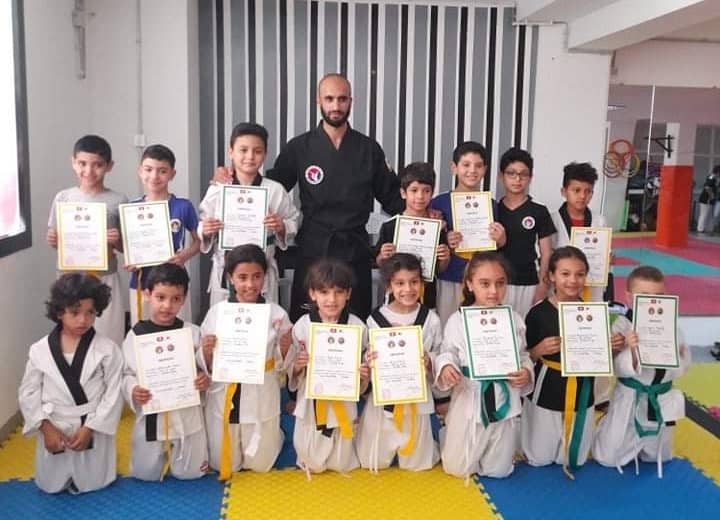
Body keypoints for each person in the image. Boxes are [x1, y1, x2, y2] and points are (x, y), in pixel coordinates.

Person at [266, 73, 405, 321]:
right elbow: (270, 189)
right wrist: (235, 180)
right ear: (318, 101)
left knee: (355, 322)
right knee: (307, 324)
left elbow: (394, 198)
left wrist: (426, 213)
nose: (336, 106)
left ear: (351, 101)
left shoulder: (368, 149)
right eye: (329, 99)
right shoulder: (299, 147)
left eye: (342, 99)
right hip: (313, 248)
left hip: (354, 249)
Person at [521, 247, 624, 476]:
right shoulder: (538, 313)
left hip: (582, 388)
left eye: (579, 274)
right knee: (540, 458)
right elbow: (524, 356)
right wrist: (538, 349)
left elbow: (601, 357)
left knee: (574, 459)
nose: (572, 280)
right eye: (565, 274)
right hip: (547, 387)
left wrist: (612, 347)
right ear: (551, 276)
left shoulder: (594, 313)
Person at [18, 273, 123, 494]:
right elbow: (29, 393)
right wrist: (46, 428)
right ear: (59, 312)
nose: (83, 320)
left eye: (90, 312)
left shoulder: (107, 349)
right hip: (54, 425)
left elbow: (114, 393)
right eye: (75, 313)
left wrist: (90, 428)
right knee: (51, 485)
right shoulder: (40, 350)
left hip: (91, 424)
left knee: (95, 481)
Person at [435, 252, 533, 480]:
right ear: (470, 284)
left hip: (503, 398)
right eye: (485, 284)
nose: (493, 291)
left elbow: (523, 355)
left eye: (500, 283)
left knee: (498, 471)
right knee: (457, 469)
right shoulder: (457, 320)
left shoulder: (514, 319)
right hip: (470, 399)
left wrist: (526, 371)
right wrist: (447, 367)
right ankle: (449, 433)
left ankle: (501, 444)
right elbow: (447, 352)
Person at [201, 244, 293, 479]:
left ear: (265, 277)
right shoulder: (217, 312)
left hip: (260, 393)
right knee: (223, 464)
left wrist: (285, 348)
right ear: (230, 277)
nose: (250, 284)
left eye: (256, 276)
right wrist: (207, 351)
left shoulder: (277, 314)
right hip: (225, 393)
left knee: (261, 464)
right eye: (242, 277)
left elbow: (286, 365)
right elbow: (204, 363)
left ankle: (276, 433)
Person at [593, 266, 691, 476]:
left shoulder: (670, 326)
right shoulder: (621, 326)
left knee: (658, 457)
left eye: (658, 296)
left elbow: (681, 369)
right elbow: (615, 367)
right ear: (629, 297)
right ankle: (604, 427)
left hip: (660, 399)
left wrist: (679, 355)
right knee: (607, 458)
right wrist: (632, 350)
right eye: (644, 296)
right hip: (629, 399)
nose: (652, 302)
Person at [121, 263, 210, 481]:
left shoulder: (192, 332)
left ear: (184, 299)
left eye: (175, 299)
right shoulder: (135, 335)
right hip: (152, 413)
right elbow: (126, 373)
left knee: (192, 473)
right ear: (147, 294)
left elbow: (205, 368)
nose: (167, 306)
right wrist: (133, 389)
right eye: (160, 297)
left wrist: (203, 379)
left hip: (186, 415)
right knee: (145, 475)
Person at [356, 253, 442, 472]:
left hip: (416, 400)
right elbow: (365, 356)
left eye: (414, 282)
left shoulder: (431, 319)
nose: (408, 289)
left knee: (417, 465)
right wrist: (368, 359)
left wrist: (429, 361)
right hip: (382, 401)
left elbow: (440, 355)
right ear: (389, 286)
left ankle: (435, 439)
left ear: (422, 283)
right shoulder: (375, 319)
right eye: (400, 283)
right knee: (371, 462)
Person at [200, 123, 300, 305]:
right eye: (243, 150)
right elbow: (202, 222)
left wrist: (281, 226)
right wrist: (206, 230)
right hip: (226, 268)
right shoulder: (218, 188)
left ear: (265, 154)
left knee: (264, 320)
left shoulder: (275, 190)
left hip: (262, 272)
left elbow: (293, 221)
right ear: (231, 152)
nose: (250, 157)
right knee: (224, 319)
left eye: (257, 151)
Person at [287, 258, 370, 474]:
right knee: (311, 463)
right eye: (324, 292)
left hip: (343, 399)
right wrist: (297, 367)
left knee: (342, 463)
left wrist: (364, 374)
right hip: (311, 403)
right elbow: (291, 371)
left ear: (348, 294)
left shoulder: (357, 326)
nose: (331, 300)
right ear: (313, 294)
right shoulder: (302, 326)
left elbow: (365, 366)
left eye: (338, 292)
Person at [46, 135, 128, 346]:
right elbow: (57, 241)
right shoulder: (63, 198)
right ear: (73, 162)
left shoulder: (118, 200)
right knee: (72, 337)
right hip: (70, 279)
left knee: (109, 336)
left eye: (97, 165)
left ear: (109, 166)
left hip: (104, 277)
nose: (89, 171)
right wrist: (53, 240)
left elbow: (126, 248)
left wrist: (116, 241)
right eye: (82, 163)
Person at [549, 161, 612, 406]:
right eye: (576, 190)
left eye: (588, 191)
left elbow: (606, 260)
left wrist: (608, 259)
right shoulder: (552, 220)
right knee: (562, 338)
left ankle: (598, 393)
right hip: (561, 291)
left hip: (592, 289)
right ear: (564, 191)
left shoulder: (599, 221)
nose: (582, 196)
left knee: (592, 338)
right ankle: (559, 386)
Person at [429, 141, 507, 325]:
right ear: (454, 168)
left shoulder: (491, 204)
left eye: (478, 166)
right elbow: (430, 244)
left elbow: (496, 245)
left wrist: (501, 240)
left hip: (482, 280)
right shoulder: (438, 203)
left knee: (478, 327)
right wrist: (446, 239)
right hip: (450, 277)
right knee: (448, 326)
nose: (472, 170)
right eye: (466, 165)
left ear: (485, 169)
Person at [127, 145, 201, 325]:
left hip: (174, 280)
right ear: (140, 171)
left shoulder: (183, 206)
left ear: (172, 174)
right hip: (141, 281)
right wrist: (130, 259)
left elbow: (199, 241)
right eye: (148, 169)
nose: (154, 176)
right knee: (143, 332)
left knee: (177, 331)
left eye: (162, 171)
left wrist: (184, 256)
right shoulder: (131, 208)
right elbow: (127, 245)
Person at [375, 162, 451, 310]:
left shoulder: (437, 227)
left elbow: (440, 269)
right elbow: (380, 263)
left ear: (432, 193)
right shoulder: (390, 226)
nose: (420, 196)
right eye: (414, 190)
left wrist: (445, 258)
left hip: (427, 296)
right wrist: (383, 256)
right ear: (403, 193)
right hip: (395, 297)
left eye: (426, 191)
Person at [496, 147, 556, 319]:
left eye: (523, 174)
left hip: (529, 282)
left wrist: (543, 285)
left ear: (530, 177)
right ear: (501, 176)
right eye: (511, 173)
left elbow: (546, 253)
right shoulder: (493, 209)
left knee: (526, 328)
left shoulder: (539, 211)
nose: (517, 179)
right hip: (499, 282)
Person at [697, 165, 719, 233]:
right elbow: (707, 187)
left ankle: (706, 228)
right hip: (706, 199)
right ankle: (700, 229)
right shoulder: (711, 177)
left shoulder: (714, 178)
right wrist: (712, 196)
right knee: (704, 214)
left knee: (707, 215)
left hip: (708, 200)